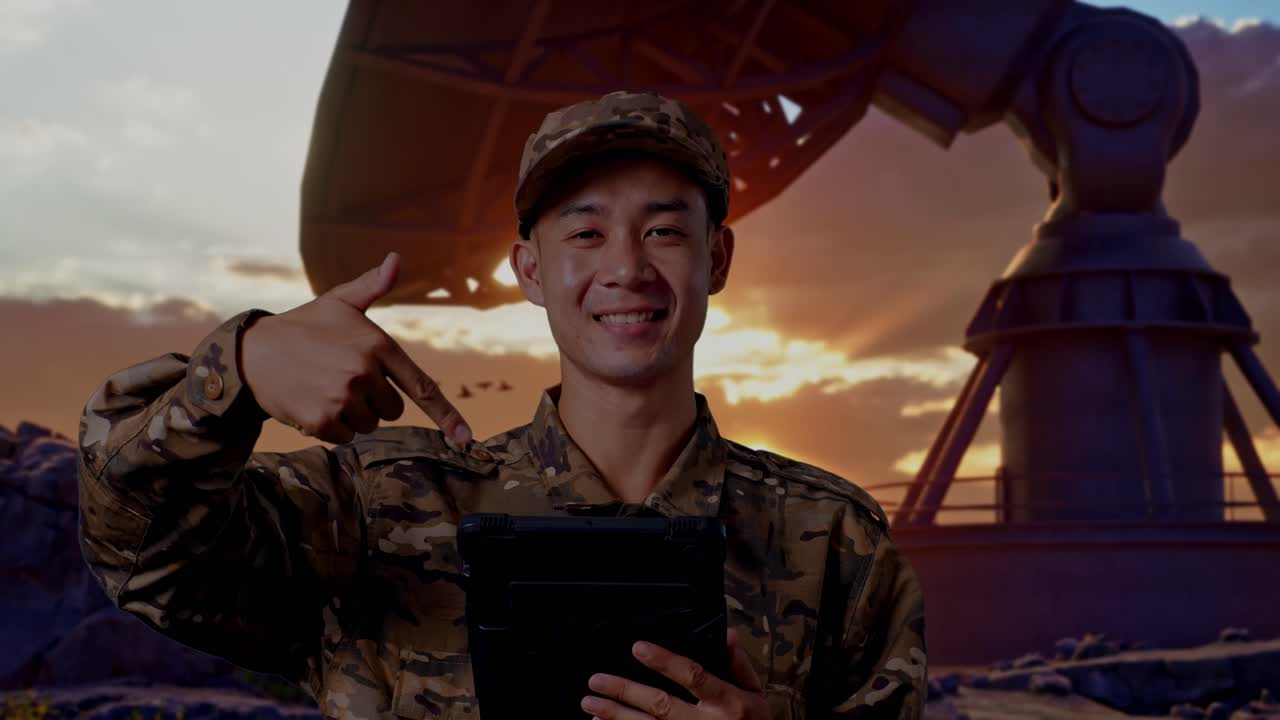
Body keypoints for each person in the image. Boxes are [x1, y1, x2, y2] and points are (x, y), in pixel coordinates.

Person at [77, 90, 927, 720]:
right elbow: (138, 550)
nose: (627, 266)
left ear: (719, 258)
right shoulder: (377, 507)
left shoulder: (833, 541)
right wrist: (240, 369)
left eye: (665, 230)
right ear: (527, 270)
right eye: (585, 232)